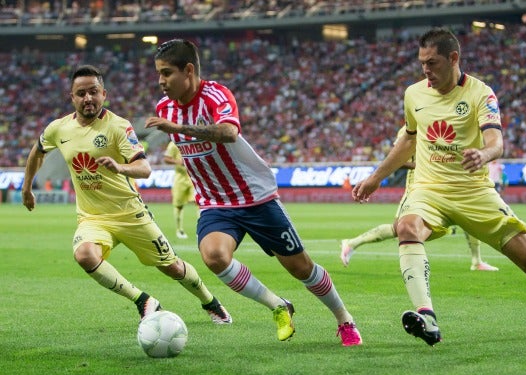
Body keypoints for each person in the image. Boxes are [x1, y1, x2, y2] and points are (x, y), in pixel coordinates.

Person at [352, 28, 526, 345]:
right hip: (429, 188)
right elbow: (409, 139)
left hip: (473, 192)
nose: (426, 70)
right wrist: (376, 176)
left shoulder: (481, 94)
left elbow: (496, 141)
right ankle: (427, 316)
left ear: (454, 58)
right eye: (422, 63)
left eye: (432, 62)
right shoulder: (414, 94)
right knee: (407, 226)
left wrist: (484, 153)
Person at [144, 39, 362, 346]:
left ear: (188, 70)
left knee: (301, 268)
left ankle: (345, 320)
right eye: (158, 74)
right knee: (214, 256)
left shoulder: (216, 95)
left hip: (255, 197)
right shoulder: (164, 109)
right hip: (215, 204)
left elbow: (229, 132)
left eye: (167, 73)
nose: (161, 81)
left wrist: (180, 129)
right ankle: (278, 305)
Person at [22, 64, 232, 326]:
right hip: (93, 218)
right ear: (72, 97)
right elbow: (37, 151)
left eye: (94, 92)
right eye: (81, 93)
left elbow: (144, 168)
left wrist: (121, 167)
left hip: (131, 214)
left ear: (104, 94)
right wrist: (27, 186)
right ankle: (143, 300)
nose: (88, 98)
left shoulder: (118, 127)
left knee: (173, 267)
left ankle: (210, 302)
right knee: (84, 254)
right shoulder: (58, 128)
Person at [341, 131, 498, 272]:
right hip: (416, 185)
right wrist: (421, 165)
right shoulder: (408, 128)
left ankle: (476, 261)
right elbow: (397, 160)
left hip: (439, 182)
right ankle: (352, 243)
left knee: (466, 216)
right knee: (399, 228)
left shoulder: (435, 122)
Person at [163, 141, 196, 239]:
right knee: (179, 205)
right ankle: (179, 230)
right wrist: (179, 162)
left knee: (199, 203)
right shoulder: (174, 143)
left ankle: (201, 230)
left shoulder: (194, 141)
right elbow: (166, 159)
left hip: (194, 177)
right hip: (180, 178)